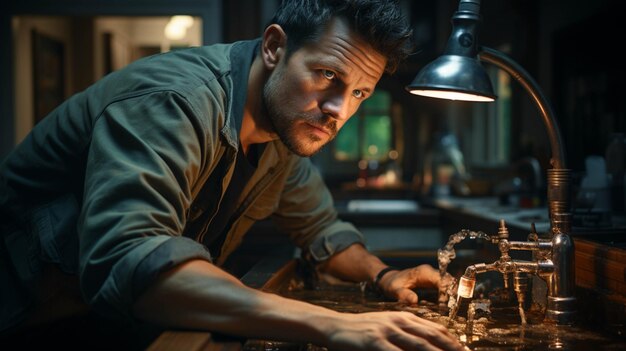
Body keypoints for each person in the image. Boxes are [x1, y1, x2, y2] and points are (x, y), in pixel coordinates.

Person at [0, 0, 463, 350]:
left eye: (360, 92)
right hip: (25, 320)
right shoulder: (175, 102)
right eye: (326, 74)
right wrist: (333, 324)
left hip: (106, 326)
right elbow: (132, 260)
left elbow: (322, 229)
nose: (338, 110)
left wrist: (383, 275)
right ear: (274, 48)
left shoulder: (284, 130)